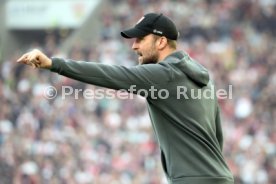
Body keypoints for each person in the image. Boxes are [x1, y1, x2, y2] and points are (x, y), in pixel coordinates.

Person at [17, 13, 234, 184]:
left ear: (161, 42)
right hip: (219, 176)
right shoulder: (205, 79)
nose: (134, 45)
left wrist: (54, 64)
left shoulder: (164, 75)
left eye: (141, 38)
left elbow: (111, 75)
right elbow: (217, 138)